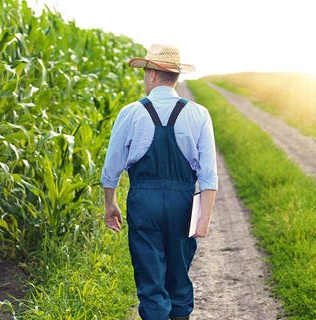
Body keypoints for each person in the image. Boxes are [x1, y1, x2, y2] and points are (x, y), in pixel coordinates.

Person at [101, 44, 218, 320]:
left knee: (151, 280)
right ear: (175, 77)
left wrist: (111, 203)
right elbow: (208, 173)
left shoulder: (130, 113)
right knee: (179, 277)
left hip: (144, 202)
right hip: (183, 204)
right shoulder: (199, 114)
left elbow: (111, 168)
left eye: (144, 73)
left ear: (152, 75)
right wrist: (204, 217)